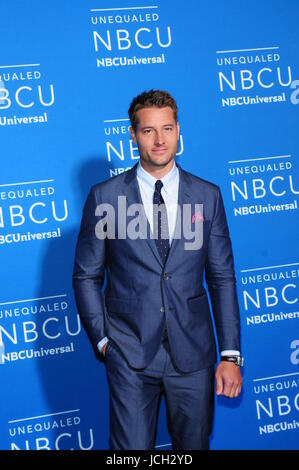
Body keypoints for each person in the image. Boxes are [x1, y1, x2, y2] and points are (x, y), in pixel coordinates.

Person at [72, 89, 243, 450]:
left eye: (167, 129)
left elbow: (222, 278)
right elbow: (86, 275)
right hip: (129, 352)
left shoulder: (207, 195)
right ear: (132, 135)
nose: (160, 139)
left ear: (179, 130)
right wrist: (104, 341)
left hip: (193, 354)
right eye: (149, 131)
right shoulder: (105, 197)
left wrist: (230, 354)